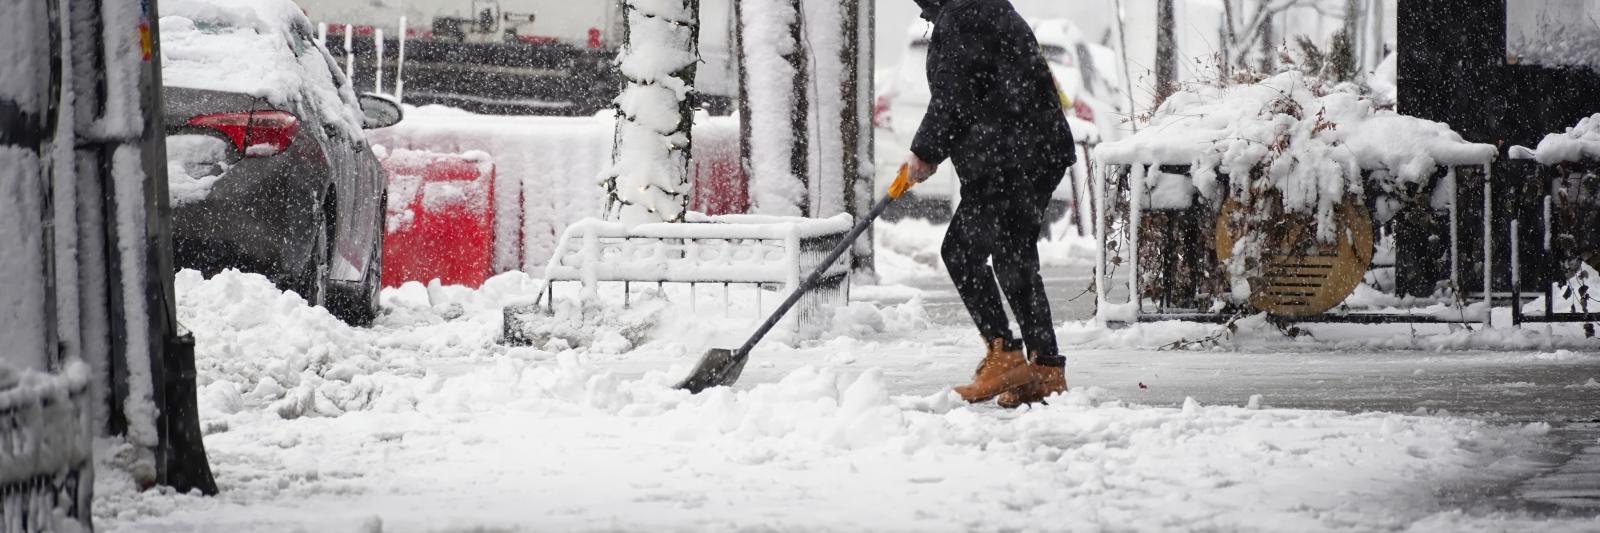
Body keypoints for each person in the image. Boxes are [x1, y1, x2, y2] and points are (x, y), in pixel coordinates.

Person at [905, 0, 1075, 407]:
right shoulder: (976, 8)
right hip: (1030, 151)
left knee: (961, 252)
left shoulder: (966, 14)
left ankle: (1005, 356)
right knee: (1014, 255)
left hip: (1011, 156)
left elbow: (956, 96)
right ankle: (1046, 370)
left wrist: (925, 152)